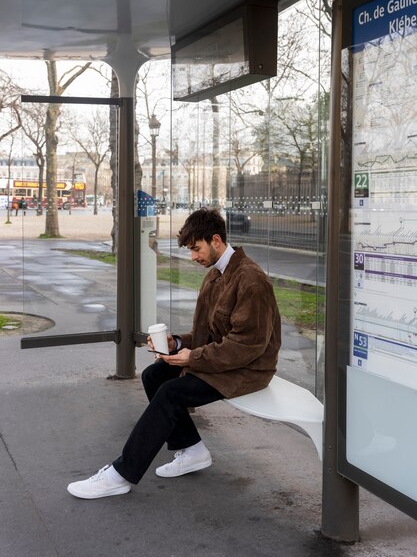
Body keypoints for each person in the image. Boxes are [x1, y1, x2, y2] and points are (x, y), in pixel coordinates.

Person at [67, 207, 281, 499]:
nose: (193, 257)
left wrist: (192, 358)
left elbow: (246, 347)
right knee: (155, 376)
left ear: (216, 240)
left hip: (248, 370)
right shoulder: (217, 275)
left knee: (171, 393)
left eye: (196, 249)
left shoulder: (250, 280)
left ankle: (121, 474)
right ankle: (191, 450)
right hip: (222, 360)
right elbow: (208, 335)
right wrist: (176, 344)